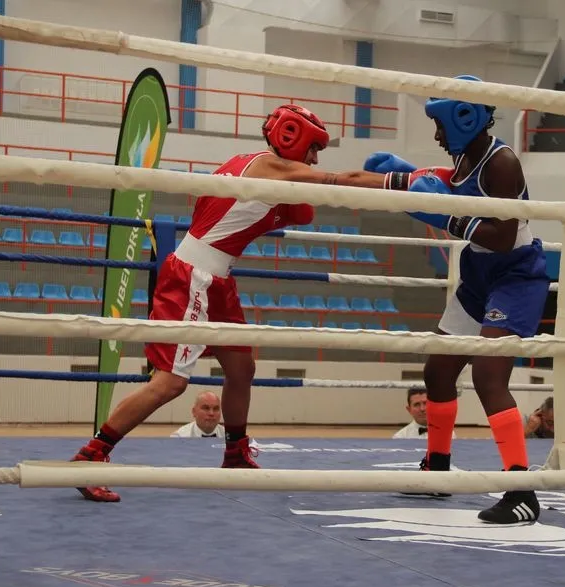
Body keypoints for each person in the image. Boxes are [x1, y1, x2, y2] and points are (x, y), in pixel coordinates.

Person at [72, 104, 417, 502]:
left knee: (241, 367)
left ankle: (235, 453)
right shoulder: (271, 168)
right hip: (194, 276)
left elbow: (298, 212)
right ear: (293, 138)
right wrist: (410, 180)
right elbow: (345, 181)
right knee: (170, 382)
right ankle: (91, 456)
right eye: (313, 148)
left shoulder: (243, 162)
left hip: (216, 278)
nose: (315, 159)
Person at [365, 75, 550, 524]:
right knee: (439, 369)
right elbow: (450, 190)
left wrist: (446, 215)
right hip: (478, 275)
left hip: (515, 275)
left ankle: (521, 489)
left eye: (439, 125)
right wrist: (401, 176)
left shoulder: (501, 162)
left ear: (463, 118)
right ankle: (438, 469)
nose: (436, 135)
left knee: (488, 375)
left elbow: (502, 236)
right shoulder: (464, 158)